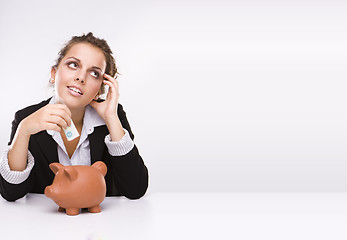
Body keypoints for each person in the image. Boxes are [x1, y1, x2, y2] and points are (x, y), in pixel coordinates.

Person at [0, 32, 149, 201]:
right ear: (54, 74)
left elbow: (135, 189)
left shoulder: (113, 117)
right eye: (73, 65)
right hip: (43, 225)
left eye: (94, 73)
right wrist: (24, 131)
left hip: (101, 223)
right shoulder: (26, 118)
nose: (81, 77)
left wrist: (111, 119)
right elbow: (11, 193)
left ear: (100, 88)